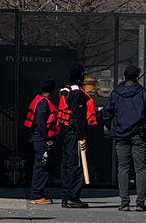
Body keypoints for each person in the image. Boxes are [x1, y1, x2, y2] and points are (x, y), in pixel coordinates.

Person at [102, 65, 146, 212]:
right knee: (140, 169)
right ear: (137, 77)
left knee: (123, 168)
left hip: (121, 134)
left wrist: (114, 126)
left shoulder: (116, 93)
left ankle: (124, 202)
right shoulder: (143, 93)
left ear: (124, 77)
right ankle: (140, 202)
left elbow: (106, 113)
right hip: (138, 134)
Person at [58, 63, 97, 208]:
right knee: (75, 164)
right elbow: (78, 117)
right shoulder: (78, 94)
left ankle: (65, 195)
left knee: (67, 163)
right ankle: (73, 196)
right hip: (73, 133)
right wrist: (83, 137)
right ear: (81, 76)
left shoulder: (65, 90)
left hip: (65, 131)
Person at [24, 77, 58, 205]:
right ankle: (36, 195)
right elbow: (41, 122)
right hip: (42, 139)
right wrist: (47, 139)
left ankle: (37, 193)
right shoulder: (44, 103)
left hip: (37, 137)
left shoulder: (37, 100)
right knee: (42, 166)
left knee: (40, 165)